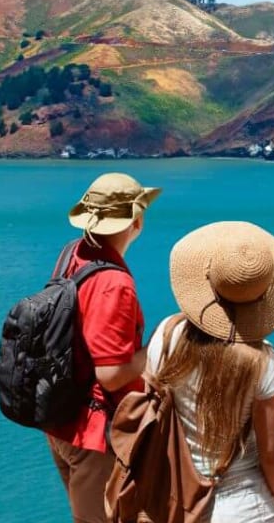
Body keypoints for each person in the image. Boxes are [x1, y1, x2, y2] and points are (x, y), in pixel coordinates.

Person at [146, 221, 274, 523]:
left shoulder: (167, 335)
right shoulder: (262, 361)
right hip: (247, 509)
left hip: (176, 503)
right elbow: (272, 454)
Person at [47, 173, 161, 523]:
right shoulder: (114, 283)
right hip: (95, 433)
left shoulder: (73, 254)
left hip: (62, 420)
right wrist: (157, 347)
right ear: (136, 222)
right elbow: (110, 374)